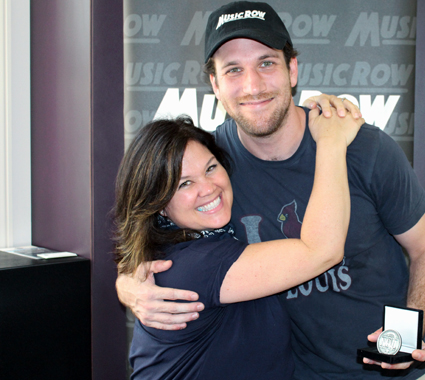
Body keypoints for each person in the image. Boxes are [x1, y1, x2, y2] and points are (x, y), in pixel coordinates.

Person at [116, 1, 425, 379]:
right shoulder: (213, 167)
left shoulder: (362, 146)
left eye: (266, 63)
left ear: (292, 68)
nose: (253, 86)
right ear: (214, 83)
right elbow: (162, 236)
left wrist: (406, 336)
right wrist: (129, 284)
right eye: (233, 70)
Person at [114, 113, 362, 379]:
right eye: (185, 183)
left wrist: (124, 282)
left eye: (210, 168)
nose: (208, 188)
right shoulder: (197, 264)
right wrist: (331, 143)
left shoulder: (200, 238)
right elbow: (323, 250)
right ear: (159, 205)